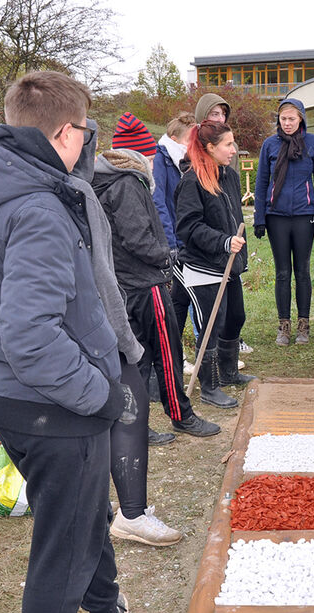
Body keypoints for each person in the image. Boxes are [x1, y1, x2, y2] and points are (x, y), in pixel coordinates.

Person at [0, 70, 130, 613]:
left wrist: (1, 354)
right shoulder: (39, 209)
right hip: (58, 412)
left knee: (80, 513)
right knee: (61, 555)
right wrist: (97, 393)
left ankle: (104, 608)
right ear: (67, 133)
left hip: (12, 401)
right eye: (86, 131)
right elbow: (30, 338)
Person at [71, 119, 183, 547]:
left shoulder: (92, 184)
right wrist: (165, 258)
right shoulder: (121, 186)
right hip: (129, 293)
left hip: (109, 301)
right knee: (137, 381)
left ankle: (118, 510)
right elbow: (127, 247)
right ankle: (131, 512)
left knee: (121, 394)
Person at [92, 112, 219, 438]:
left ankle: (135, 425)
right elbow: (137, 238)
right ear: (136, 154)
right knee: (167, 353)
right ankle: (182, 415)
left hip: (122, 284)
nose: (152, 161)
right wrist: (167, 257)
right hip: (145, 284)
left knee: (136, 357)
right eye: (148, 154)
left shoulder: (102, 180)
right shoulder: (128, 183)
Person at [174, 120, 251, 408]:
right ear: (209, 147)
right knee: (211, 326)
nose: (234, 150)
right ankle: (209, 387)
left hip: (228, 263)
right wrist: (221, 242)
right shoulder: (192, 181)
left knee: (236, 317)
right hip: (202, 265)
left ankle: (230, 372)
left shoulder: (228, 176)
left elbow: (232, 216)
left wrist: (235, 252)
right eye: (228, 144)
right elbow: (188, 228)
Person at [253, 99, 314, 346]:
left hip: (304, 215)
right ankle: (283, 326)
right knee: (282, 272)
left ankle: (303, 326)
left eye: (292, 119)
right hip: (277, 216)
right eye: (283, 119)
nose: (287, 124)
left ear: (301, 120)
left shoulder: (313, 144)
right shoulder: (269, 145)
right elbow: (262, 181)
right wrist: (259, 217)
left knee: (302, 271)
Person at [154, 111, 196, 258]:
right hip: (174, 237)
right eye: (188, 140)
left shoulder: (189, 161)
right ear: (174, 139)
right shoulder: (161, 160)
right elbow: (158, 201)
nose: (192, 145)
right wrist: (170, 242)